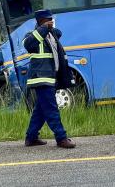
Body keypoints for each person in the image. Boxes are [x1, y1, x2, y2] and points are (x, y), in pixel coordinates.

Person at [23, 9, 76, 148]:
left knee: (41, 110)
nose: (52, 22)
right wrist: (43, 28)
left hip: (50, 78)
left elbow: (59, 32)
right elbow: (28, 45)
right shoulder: (32, 36)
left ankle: (31, 138)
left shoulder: (52, 35)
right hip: (40, 78)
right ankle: (61, 138)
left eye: (51, 19)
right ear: (41, 22)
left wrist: (49, 29)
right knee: (52, 109)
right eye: (49, 20)